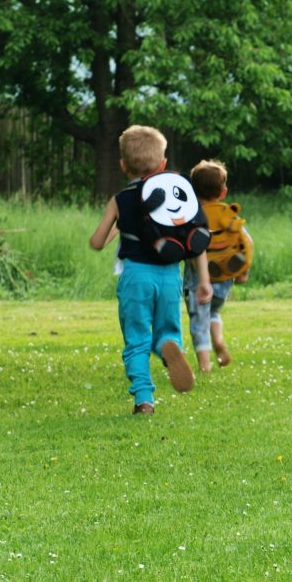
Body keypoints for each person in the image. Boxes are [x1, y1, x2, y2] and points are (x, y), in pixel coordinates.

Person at [89, 125, 213, 415]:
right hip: (170, 274)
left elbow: (97, 241)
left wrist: (115, 228)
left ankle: (144, 398)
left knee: (136, 338)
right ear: (163, 164)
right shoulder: (176, 194)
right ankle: (169, 347)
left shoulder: (120, 200)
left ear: (123, 165)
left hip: (135, 277)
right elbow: (195, 239)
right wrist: (203, 281)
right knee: (167, 330)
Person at [184, 159, 252, 373]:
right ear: (223, 193)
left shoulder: (191, 217)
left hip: (198, 283)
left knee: (198, 321)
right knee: (213, 313)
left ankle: (204, 366)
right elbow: (245, 244)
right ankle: (219, 341)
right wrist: (242, 272)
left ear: (193, 192)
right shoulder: (227, 216)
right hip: (223, 282)